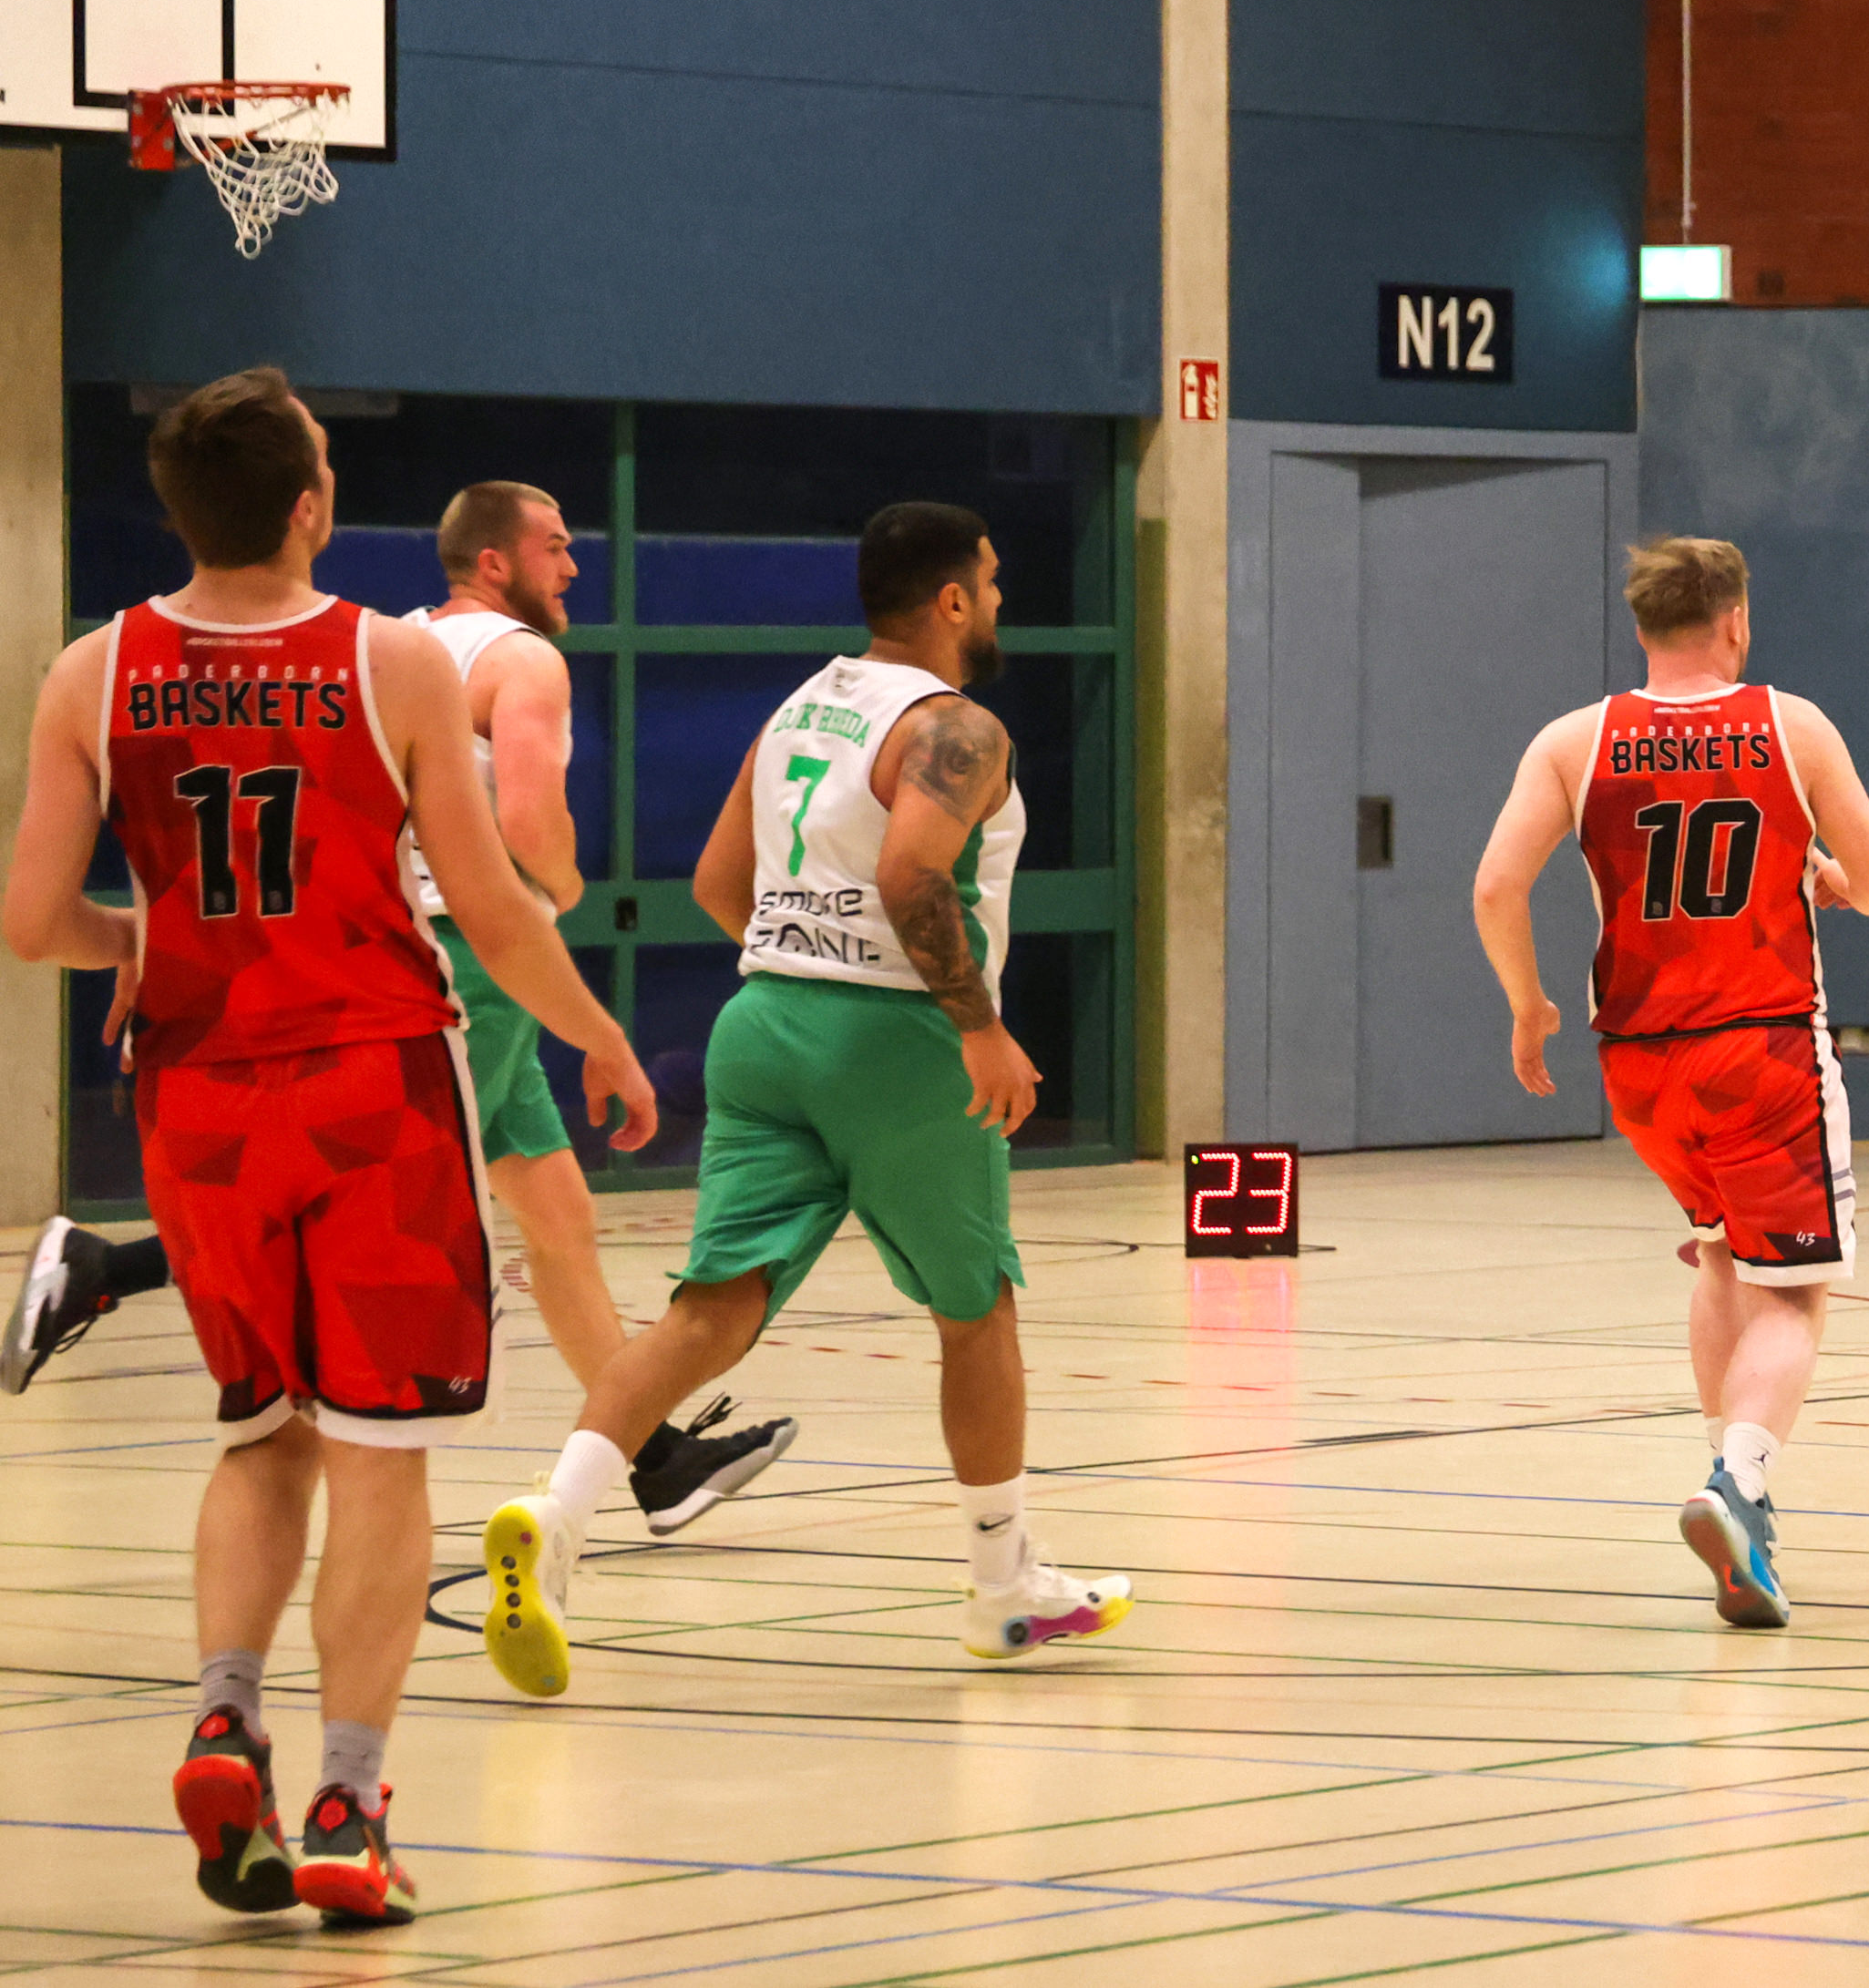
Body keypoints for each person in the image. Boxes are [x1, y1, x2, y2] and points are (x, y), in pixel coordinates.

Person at [1, 368, 659, 1926]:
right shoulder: (390, 658)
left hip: (197, 1093)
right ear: (311, 506)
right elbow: (492, 906)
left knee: (260, 1432)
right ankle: (350, 1807)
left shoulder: (94, 669)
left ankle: (224, 1714)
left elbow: (31, 921)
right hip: (374, 1083)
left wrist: (138, 936)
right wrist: (599, 1034)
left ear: (180, 509)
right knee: (380, 1451)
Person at [10, 486, 798, 1534]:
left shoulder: (401, 643)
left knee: (558, 1220)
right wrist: (562, 889)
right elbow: (527, 823)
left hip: (384, 936)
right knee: (371, 1193)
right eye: (555, 547)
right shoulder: (523, 661)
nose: (572, 566)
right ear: (494, 562)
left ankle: (651, 1457)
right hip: (454, 958)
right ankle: (105, 1268)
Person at [474, 503, 1128, 1696]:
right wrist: (976, 1026)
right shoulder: (957, 727)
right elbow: (912, 872)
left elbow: (719, 880)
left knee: (706, 1314)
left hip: (761, 1022)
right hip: (897, 1042)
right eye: (989, 582)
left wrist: (803, 968)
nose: (997, 602)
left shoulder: (799, 709)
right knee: (976, 1310)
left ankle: (554, 1519)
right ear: (950, 599)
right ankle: (1001, 1586)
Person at [1470, 536, 1869, 1629]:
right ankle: (1739, 1483)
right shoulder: (1789, 725)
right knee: (1791, 1292)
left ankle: (1738, 1500)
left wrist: (1527, 1005)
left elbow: (1494, 887)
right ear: (1736, 622)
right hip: (1760, 1048)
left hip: (1639, 1063)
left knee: (1720, 1253)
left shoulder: (1574, 741)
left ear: (1641, 628)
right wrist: (1831, 878)